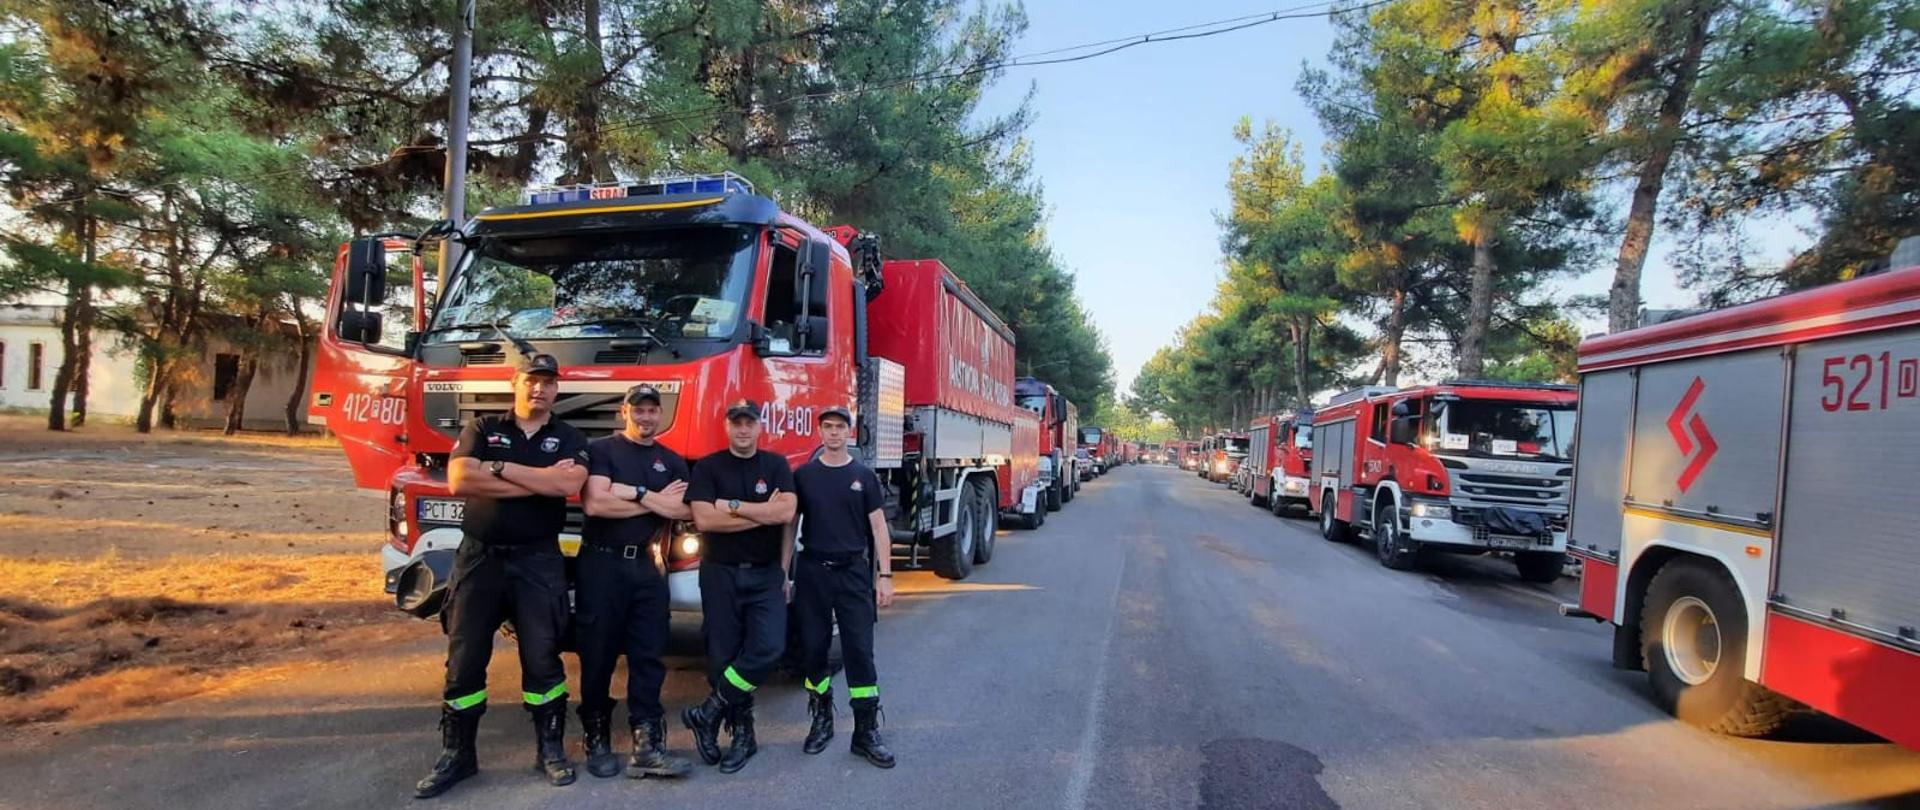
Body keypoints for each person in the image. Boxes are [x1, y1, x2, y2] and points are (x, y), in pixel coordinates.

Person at [415, 353, 589, 799]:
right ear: (516, 383)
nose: (540, 389)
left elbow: (566, 487)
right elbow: (459, 480)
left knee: (543, 656)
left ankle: (549, 749)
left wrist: (493, 468)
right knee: (464, 658)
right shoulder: (481, 427)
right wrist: (534, 478)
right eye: (532, 380)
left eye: (549, 383)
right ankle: (458, 755)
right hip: (480, 560)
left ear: (556, 390)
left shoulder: (568, 436)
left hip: (538, 561)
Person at [574, 384, 696, 780]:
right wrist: (649, 495)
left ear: (660, 415)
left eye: (652, 411)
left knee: (649, 655)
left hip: (649, 566)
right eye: (638, 410)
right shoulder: (602, 451)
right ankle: (597, 735)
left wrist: (629, 493)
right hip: (601, 566)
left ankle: (647, 743)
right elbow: (596, 503)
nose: (645, 418)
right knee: (598, 653)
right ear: (624, 411)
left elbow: (679, 508)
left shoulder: (672, 461)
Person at [679, 400, 796, 774]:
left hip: (765, 575)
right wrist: (757, 512)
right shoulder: (709, 467)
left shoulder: (775, 465)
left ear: (760, 427)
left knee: (769, 647)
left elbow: (785, 513)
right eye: (736, 423)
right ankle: (743, 736)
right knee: (722, 656)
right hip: (720, 573)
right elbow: (704, 520)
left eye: (749, 423)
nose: (743, 430)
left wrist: (730, 507)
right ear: (727, 427)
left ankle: (708, 712)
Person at [788, 406, 897, 768]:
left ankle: (865, 732)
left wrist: (884, 577)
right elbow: (790, 526)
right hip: (813, 572)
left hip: (853, 573)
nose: (834, 433)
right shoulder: (803, 476)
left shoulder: (863, 477)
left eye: (840, 427)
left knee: (859, 652)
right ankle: (821, 720)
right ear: (819, 432)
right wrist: (782, 573)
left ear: (850, 433)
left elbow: (879, 528)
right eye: (828, 427)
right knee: (814, 650)